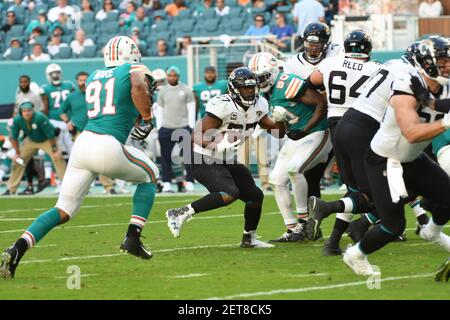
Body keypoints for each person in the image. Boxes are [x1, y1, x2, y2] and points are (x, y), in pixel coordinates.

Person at [0, 36, 160, 279]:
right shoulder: (132, 68)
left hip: (83, 144)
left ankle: (17, 249)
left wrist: (138, 111)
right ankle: (133, 237)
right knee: (151, 174)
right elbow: (137, 86)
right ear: (132, 54)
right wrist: (147, 117)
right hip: (107, 144)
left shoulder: (96, 75)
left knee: (63, 209)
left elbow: (117, 102)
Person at [343, 37, 450, 276]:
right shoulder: (405, 85)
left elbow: (438, 102)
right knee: (393, 226)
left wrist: (439, 108)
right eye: (443, 60)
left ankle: (431, 232)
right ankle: (355, 255)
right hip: (386, 161)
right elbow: (411, 133)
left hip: (413, 159)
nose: (448, 65)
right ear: (427, 63)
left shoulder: (439, 86)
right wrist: (446, 122)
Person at [165, 67, 286, 248]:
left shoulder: (259, 105)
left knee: (255, 196)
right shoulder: (223, 105)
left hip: (224, 157)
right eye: (245, 88)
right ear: (234, 89)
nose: (250, 91)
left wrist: (280, 120)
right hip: (199, 155)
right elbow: (196, 134)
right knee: (230, 193)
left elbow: (277, 133)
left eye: (252, 87)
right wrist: (215, 145)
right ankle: (179, 212)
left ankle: (249, 239)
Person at [249, 52, 330, 242]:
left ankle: (304, 223)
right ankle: (292, 228)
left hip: (317, 131)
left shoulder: (286, 83)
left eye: (261, 78)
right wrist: (271, 122)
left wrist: (305, 128)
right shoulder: (262, 97)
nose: (258, 83)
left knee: (295, 169)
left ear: (271, 73)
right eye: (256, 79)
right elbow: (280, 133)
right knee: (276, 179)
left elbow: (321, 103)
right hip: (296, 137)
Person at [60, 71, 118, 195]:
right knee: (81, 160)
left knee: (102, 157)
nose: (83, 83)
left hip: (97, 129)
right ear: (76, 81)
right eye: (80, 80)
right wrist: (68, 122)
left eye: (85, 80)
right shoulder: (72, 97)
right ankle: (82, 187)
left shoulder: (99, 94)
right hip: (79, 131)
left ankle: (108, 186)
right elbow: (62, 111)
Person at [2, 101, 66, 196]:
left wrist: (55, 150)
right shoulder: (17, 120)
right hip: (31, 140)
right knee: (18, 161)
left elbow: (51, 135)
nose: (27, 113)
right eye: (24, 111)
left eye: (29, 110)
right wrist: (17, 153)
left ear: (33, 111)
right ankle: (11, 189)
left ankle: (66, 187)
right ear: (21, 112)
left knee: (57, 158)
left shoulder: (40, 117)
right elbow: (14, 138)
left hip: (48, 139)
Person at [157, 66, 195, 192]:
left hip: (183, 127)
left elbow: (191, 108)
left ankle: (189, 181)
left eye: (175, 75)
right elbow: (160, 110)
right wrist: (159, 128)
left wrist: (191, 126)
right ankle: (166, 183)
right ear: (167, 76)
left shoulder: (186, 89)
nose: (172, 77)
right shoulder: (162, 91)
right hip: (166, 128)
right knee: (165, 157)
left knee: (188, 157)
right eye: (170, 75)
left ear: (178, 76)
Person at [40, 63, 75, 157]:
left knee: (71, 147)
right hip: (54, 120)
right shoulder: (45, 88)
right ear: (48, 75)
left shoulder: (68, 85)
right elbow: (45, 107)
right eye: (53, 74)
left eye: (57, 73)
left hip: (68, 120)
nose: (55, 75)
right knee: (60, 147)